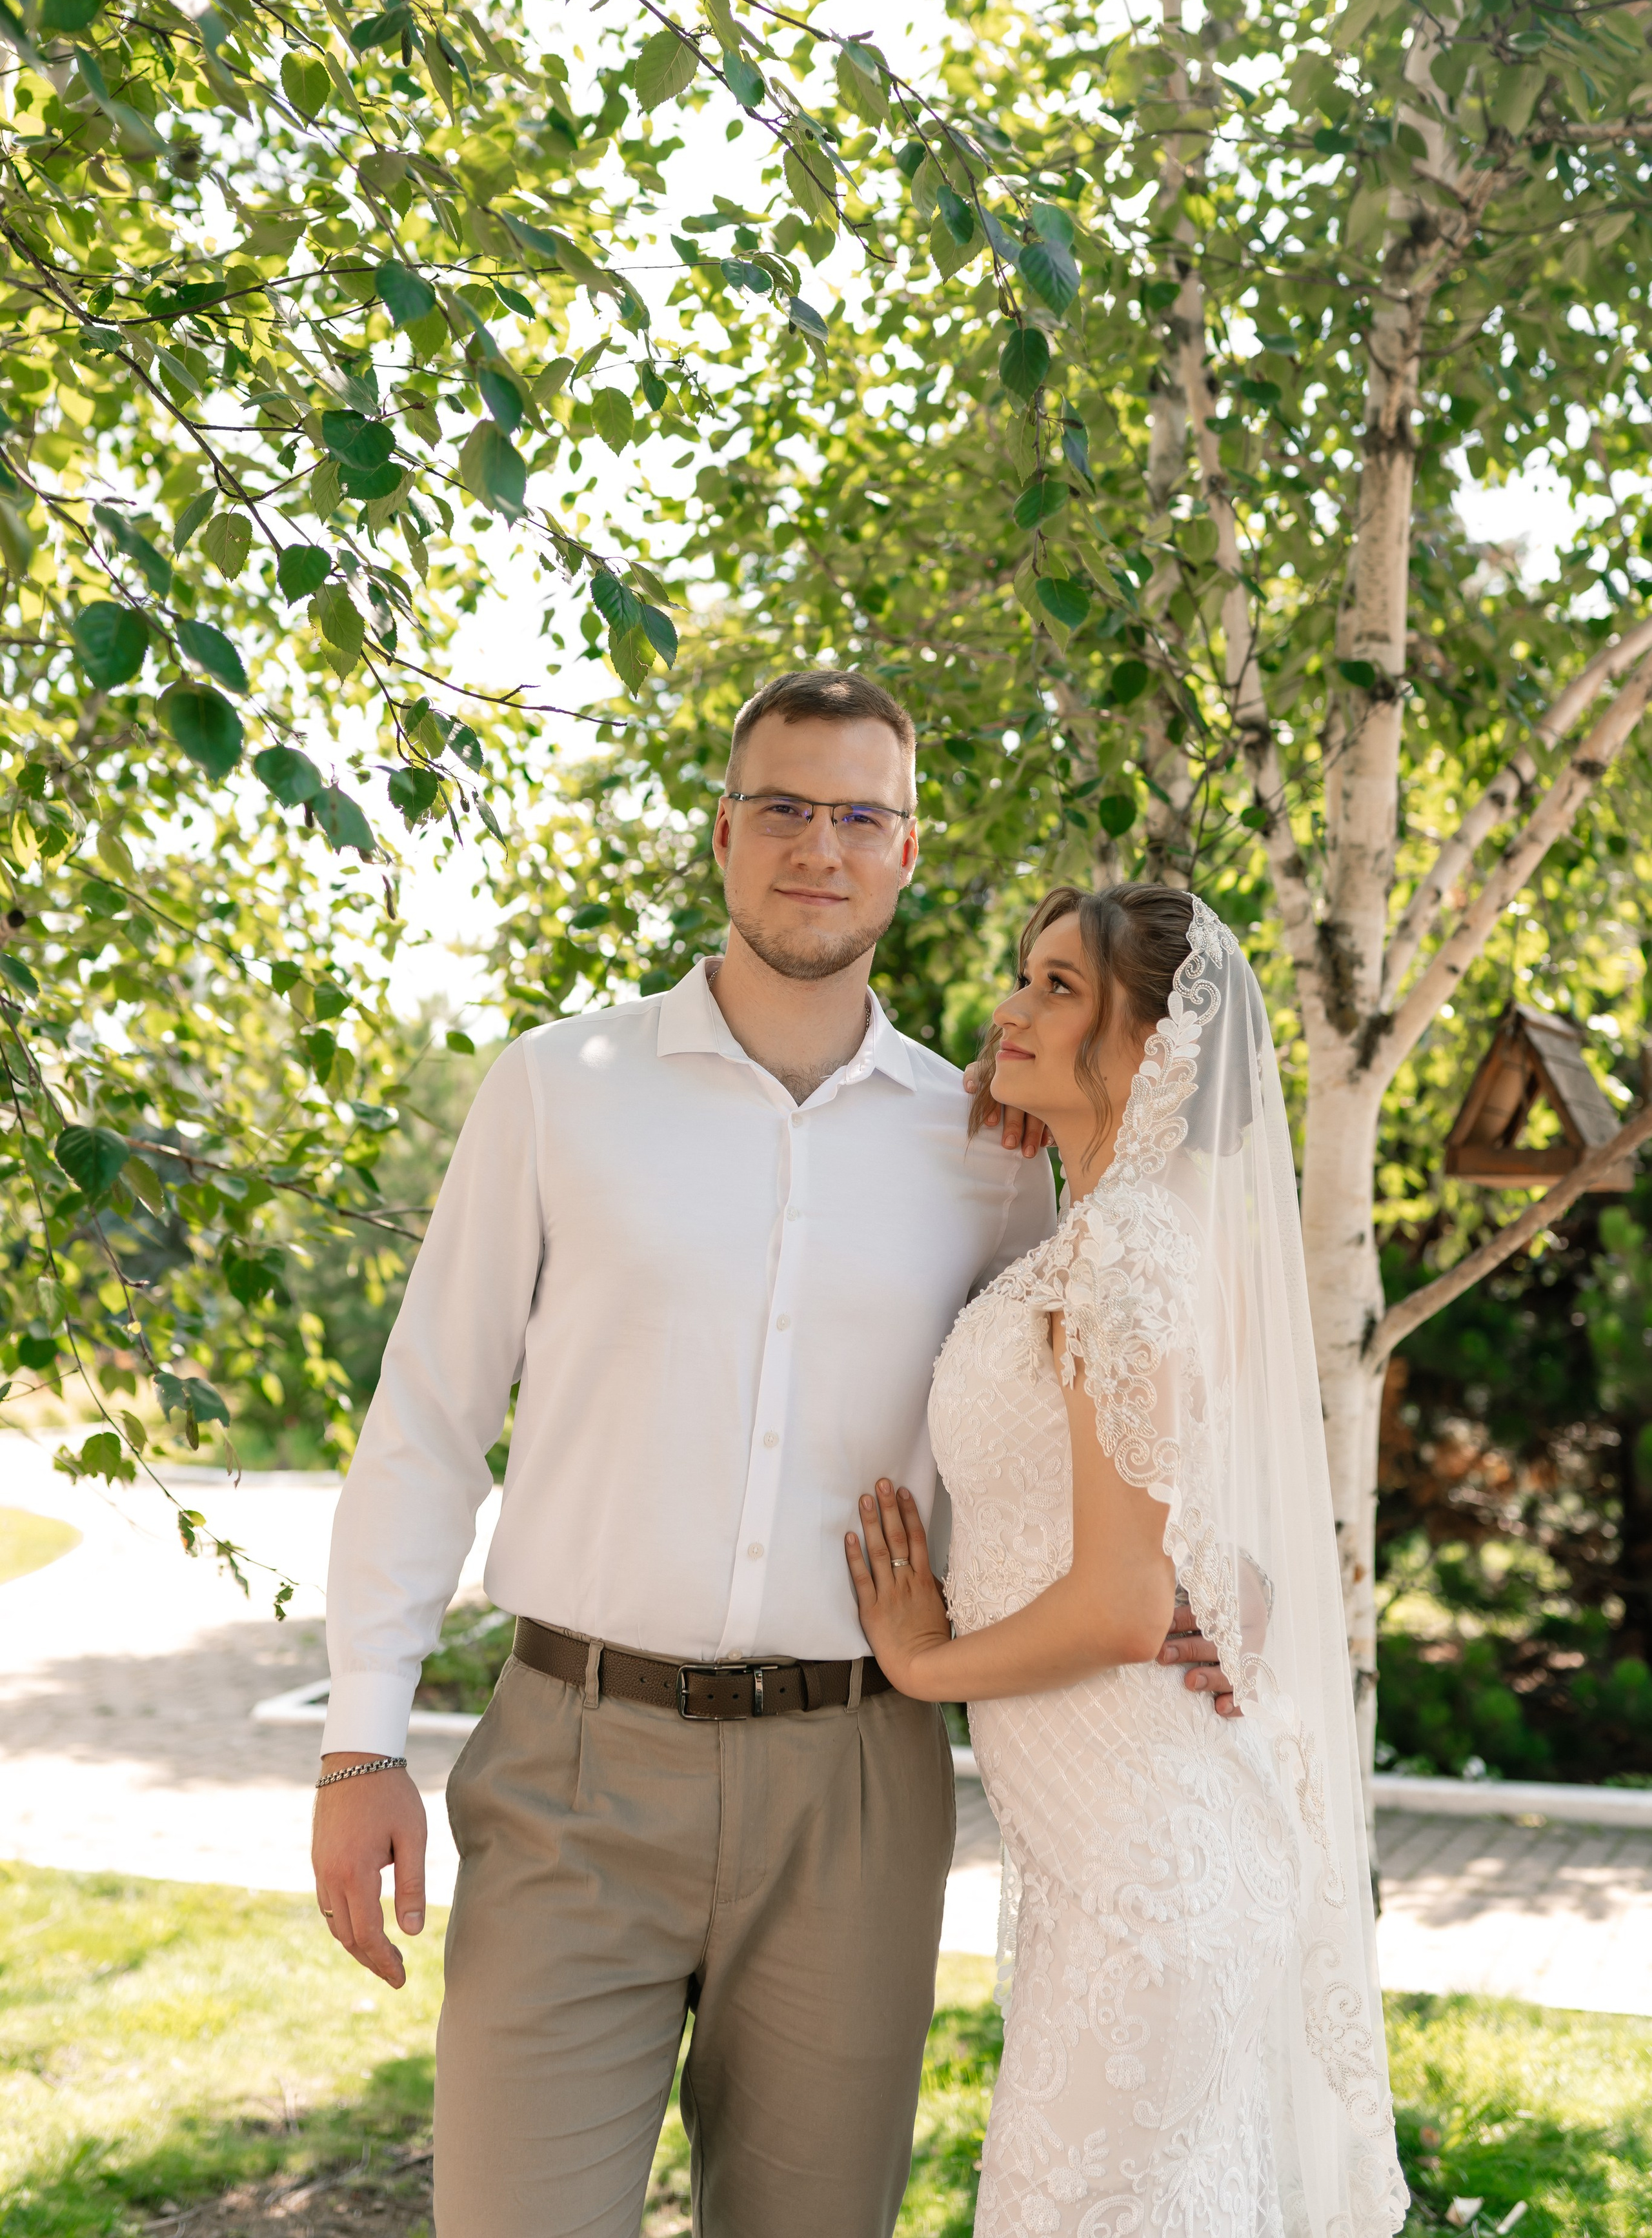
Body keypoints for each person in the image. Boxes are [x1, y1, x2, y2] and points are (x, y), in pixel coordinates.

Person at [310, 673, 1226, 2238]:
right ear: (725, 832)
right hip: (571, 1770)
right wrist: (358, 1742)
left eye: (860, 813)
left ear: (907, 849)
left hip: (855, 1784)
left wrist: (1187, 1580)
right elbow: (426, 1418)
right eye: (785, 806)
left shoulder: (983, 1148)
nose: (820, 845)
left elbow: (1059, 1428)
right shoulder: (558, 1088)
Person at [848, 883, 1410, 2238]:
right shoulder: (1115, 1232)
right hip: (1134, 1866)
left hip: (1148, 1881)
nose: (1008, 1008)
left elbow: (1119, 1601)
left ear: (1154, 1042)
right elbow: (1175, 1520)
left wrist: (921, 1660)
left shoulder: (1126, 1251)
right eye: (1022, 976)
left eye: (1057, 987)